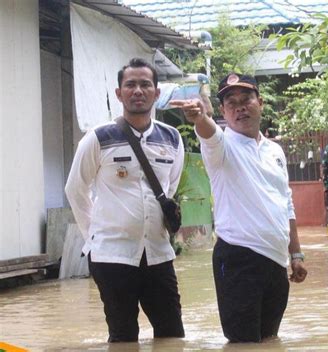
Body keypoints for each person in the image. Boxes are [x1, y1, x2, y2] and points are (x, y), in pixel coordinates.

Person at [170, 73, 307, 343]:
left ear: (261, 103)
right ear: (223, 111)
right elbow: (207, 131)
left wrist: (296, 254)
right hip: (238, 258)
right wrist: (199, 116)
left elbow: (286, 202)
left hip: (277, 263)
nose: (240, 107)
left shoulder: (275, 151)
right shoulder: (222, 146)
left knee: (269, 341)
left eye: (246, 100)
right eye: (231, 103)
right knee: (243, 343)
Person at [65, 58, 185, 342]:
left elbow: (169, 188)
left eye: (145, 84)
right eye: (130, 85)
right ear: (119, 94)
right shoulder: (98, 138)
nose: (138, 90)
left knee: (172, 336)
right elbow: (75, 189)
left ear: (157, 93)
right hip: (112, 257)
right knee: (123, 337)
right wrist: (93, 238)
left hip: (158, 254)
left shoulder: (172, 138)